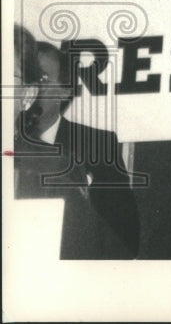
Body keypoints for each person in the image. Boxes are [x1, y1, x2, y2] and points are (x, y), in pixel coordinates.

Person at [14, 39, 141, 258]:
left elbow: (125, 239)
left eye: (41, 78)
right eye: (26, 76)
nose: (29, 86)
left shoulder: (98, 145)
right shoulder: (8, 142)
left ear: (65, 92)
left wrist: (78, 204)